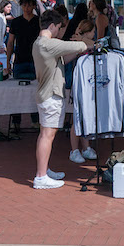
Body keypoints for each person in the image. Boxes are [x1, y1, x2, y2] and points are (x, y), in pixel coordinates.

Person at [31, 10, 88, 189]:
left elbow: (62, 59)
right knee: (47, 136)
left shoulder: (39, 44)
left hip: (45, 94)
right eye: (59, 28)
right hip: (51, 96)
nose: (59, 31)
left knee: (45, 135)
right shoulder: (49, 44)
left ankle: (44, 170)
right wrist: (81, 40)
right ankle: (41, 177)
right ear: (53, 26)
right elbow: (79, 47)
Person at [66, 19, 99, 165]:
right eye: (93, 31)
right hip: (79, 83)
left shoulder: (87, 42)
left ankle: (86, 147)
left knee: (87, 116)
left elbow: (100, 46)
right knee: (77, 117)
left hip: (90, 83)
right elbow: (66, 59)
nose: (94, 34)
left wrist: (83, 39)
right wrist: (80, 43)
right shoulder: (76, 43)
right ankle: (74, 150)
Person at [6, 0, 41, 79]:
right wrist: (8, 61)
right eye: (24, 5)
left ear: (34, 6)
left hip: (36, 59)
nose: (26, 8)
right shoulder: (16, 22)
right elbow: (10, 42)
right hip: (19, 59)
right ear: (21, 6)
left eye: (29, 6)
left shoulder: (39, 21)